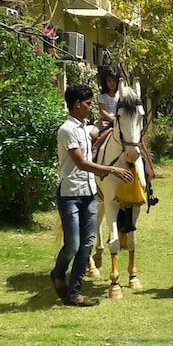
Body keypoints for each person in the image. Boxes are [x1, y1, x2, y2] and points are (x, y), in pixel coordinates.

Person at [51, 84, 132, 308]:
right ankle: (58, 273)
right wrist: (112, 170)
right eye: (88, 103)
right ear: (77, 104)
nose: (90, 107)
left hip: (89, 193)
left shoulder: (85, 128)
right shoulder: (66, 130)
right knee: (73, 244)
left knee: (87, 244)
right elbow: (81, 163)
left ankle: (74, 293)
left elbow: (97, 133)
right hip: (70, 194)